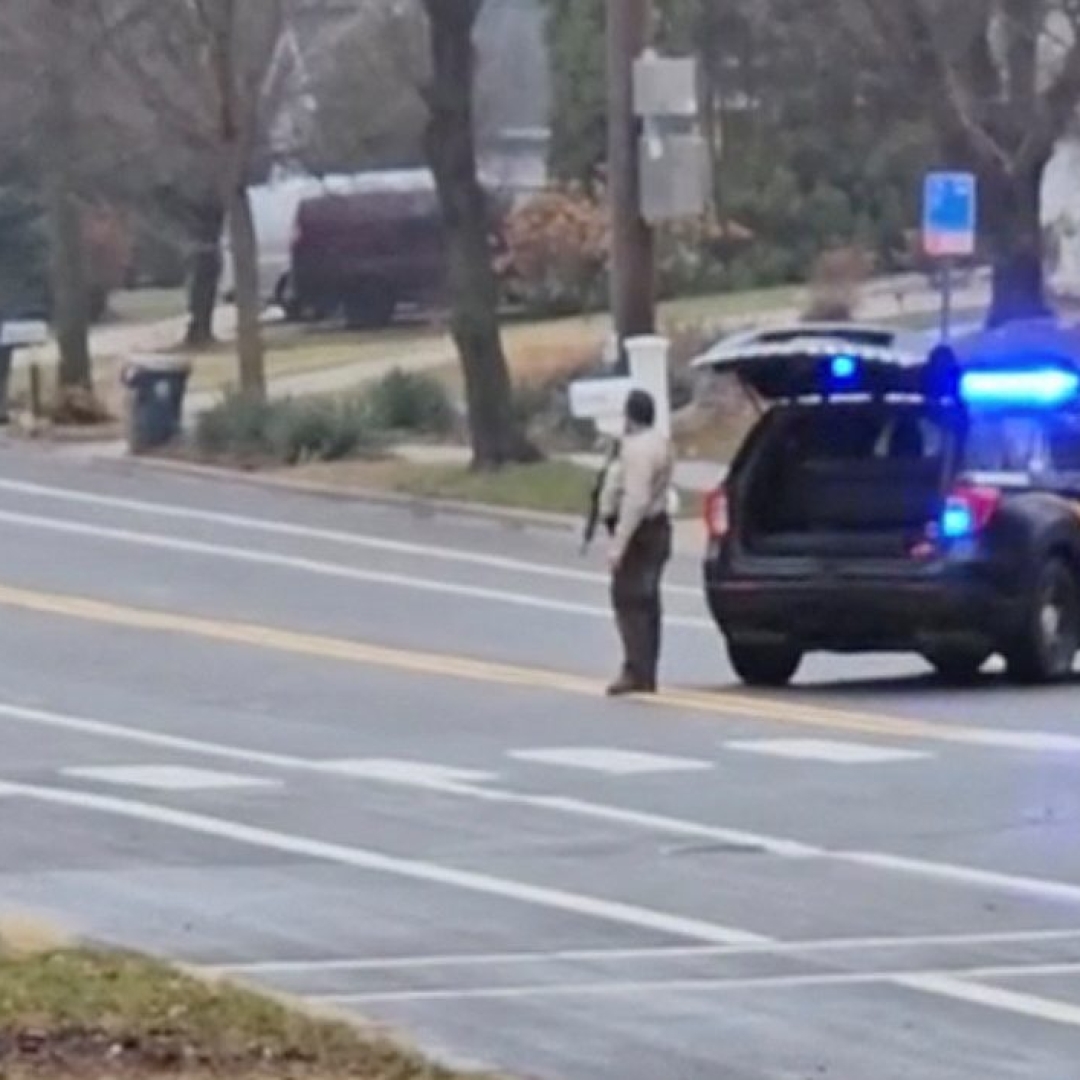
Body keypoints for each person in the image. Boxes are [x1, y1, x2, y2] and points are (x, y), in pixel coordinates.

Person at [598, 389, 675, 696]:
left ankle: (636, 669)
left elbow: (636, 499)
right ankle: (647, 667)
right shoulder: (662, 444)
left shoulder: (637, 450)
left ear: (629, 416)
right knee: (648, 600)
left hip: (641, 532)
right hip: (658, 527)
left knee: (628, 600)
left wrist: (619, 544)